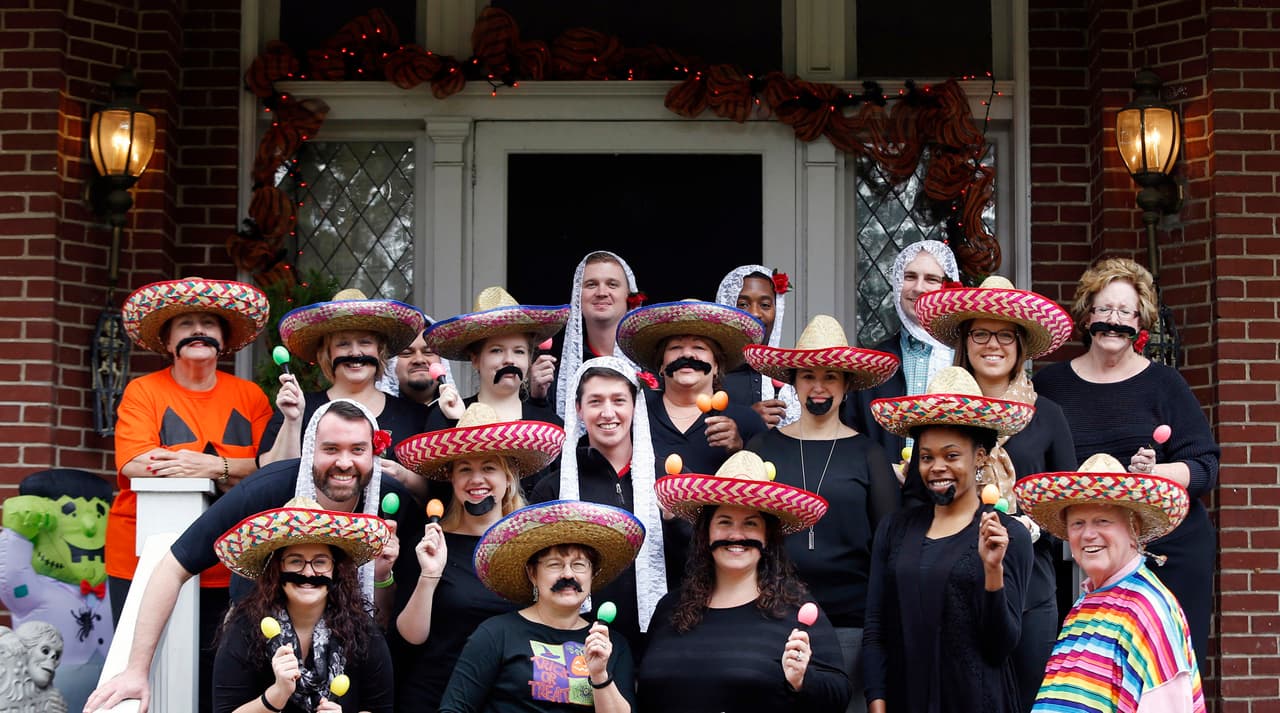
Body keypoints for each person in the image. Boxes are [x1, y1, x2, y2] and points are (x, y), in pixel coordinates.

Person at [85, 400, 423, 713]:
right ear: (310, 451)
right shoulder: (267, 490)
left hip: (348, 645)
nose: (344, 462)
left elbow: (390, 613)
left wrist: (382, 575)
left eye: (358, 450)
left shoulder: (391, 501)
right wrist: (136, 670)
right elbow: (174, 566)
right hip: (257, 648)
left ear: (374, 452)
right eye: (331, 449)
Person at [1032, 257, 1219, 671]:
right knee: (1091, 672)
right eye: (1104, 309)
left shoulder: (1165, 384)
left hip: (1167, 552)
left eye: (1125, 312)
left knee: (1163, 672)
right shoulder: (1051, 385)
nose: (1113, 321)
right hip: (1084, 551)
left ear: (1140, 321)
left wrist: (1154, 474)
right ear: (1087, 315)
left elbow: (1205, 466)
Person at [109, 277, 273, 713]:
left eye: (208, 323)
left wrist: (211, 465)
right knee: (147, 673)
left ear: (224, 339)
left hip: (231, 561)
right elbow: (132, 461)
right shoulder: (144, 391)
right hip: (142, 558)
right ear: (166, 339)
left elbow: (270, 469)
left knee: (217, 676)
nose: (197, 330)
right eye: (185, 323)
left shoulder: (251, 397)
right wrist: (230, 471)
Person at [914, 274, 1076, 711]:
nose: (993, 344)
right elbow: (920, 496)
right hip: (953, 582)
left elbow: (1070, 513)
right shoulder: (938, 410)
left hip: (1029, 589)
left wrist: (1034, 529)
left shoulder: (1049, 416)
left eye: (1005, 335)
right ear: (965, 343)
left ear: (1021, 346)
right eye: (980, 333)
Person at [741, 314, 901, 713]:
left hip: (850, 622)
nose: (818, 386)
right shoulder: (761, 448)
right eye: (808, 375)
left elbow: (889, 544)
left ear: (846, 385)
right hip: (772, 620)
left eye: (831, 376)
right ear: (794, 381)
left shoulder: (869, 454)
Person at [863, 366, 1035, 713]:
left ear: (980, 457)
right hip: (904, 700)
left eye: (951, 455)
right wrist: (877, 702)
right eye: (927, 457)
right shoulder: (896, 529)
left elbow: (1000, 645)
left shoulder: (1006, 536)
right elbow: (877, 627)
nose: (937, 467)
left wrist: (992, 571)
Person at [642, 450, 849, 712]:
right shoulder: (670, 608)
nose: (736, 535)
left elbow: (839, 693)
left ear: (767, 537)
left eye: (750, 524)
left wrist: (802, 680)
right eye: (724, 522)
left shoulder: (796, 608)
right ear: (706, 532)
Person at [392, 402, 565, 711]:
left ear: (508, 476)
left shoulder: (533, 546)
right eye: (465, 469)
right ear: (452, 478)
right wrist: (429, 575)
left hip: (512, 700)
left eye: (488, 467)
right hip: (435, 696)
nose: (476, 479)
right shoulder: (430, 543)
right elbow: (411, 637)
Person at [1015, 453, 1205, 712]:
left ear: (1134, 529)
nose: (1089, 534)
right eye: (1078, 523)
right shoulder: (1088, 601)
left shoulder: (1147, 610)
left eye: (1102, 521)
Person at [438, 500, 643, 712]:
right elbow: (453, 708)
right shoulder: (496, 633)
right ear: (532, 574)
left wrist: (600, 674)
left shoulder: (611, 645)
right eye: (554, 564)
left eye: (579, 565)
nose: (568, 574)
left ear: (592, 575)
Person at [531, 357, 671, 656]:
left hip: (664, 642)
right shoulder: (554, 489)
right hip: (580, 644)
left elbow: (696, 567)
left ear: (635, 405)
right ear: (579, 409)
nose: (608, 412)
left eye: (619, 400)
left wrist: (675, 521)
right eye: (595, 401)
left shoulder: (668, 481)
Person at [211, 497, 394, 713]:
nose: (308, 573)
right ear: (277, 570)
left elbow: (381, 708)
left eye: (320, 562)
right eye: (296, 561)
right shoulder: (246, 628)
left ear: (335, 570)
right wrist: (276, 694)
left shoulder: (362, 632)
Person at [259, 288, 427, 499]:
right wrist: (293, 421)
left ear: (380, 350)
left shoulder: (415, 415)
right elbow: (268, 478)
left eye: (365, 342)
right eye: (343, 344)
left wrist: (405, 476)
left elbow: (439, 489)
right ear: (327, 354)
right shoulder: (299, 407)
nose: (355, 353)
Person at [423, 287, 567, 490]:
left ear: (529, 358)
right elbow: (437, 494)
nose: (509, 359)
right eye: (497, 350)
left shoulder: (550, 426)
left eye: (518, 351)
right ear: (475, 359)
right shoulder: (444, 418)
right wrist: (459, 424)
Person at [615, 300, 768, 477]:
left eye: (699, 347)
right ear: (661, 366)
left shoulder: (747, 421)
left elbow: (766, 487)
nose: (687, 354)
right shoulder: (636, 415)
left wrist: (739, 451)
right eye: (675, 347)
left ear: (717, 366)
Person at [842, 240, 960, 459]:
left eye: (931, 279)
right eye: (910, 277)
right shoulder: (873, 365)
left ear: (947, 287)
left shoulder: (965, 356)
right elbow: (852, 439)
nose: (918, 288)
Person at [553, 251, 647, 419]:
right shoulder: (558, 375)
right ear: (577, 297)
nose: (602, 292)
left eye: (612, 284)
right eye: (591, 284)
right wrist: (538, 399)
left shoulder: (652, 365)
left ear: (630, 296)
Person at [715, 265, 801, 428]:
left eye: (765, 305)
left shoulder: (792, 376)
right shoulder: (710, 375)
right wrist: (749, 419)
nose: (754, 313)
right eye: (743, 304)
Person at [383, 329, 450, 407]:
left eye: (428, 352)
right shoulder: (374, 415)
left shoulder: (461, 413)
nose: (419, 360)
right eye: (406, 353)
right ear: (390, 363)